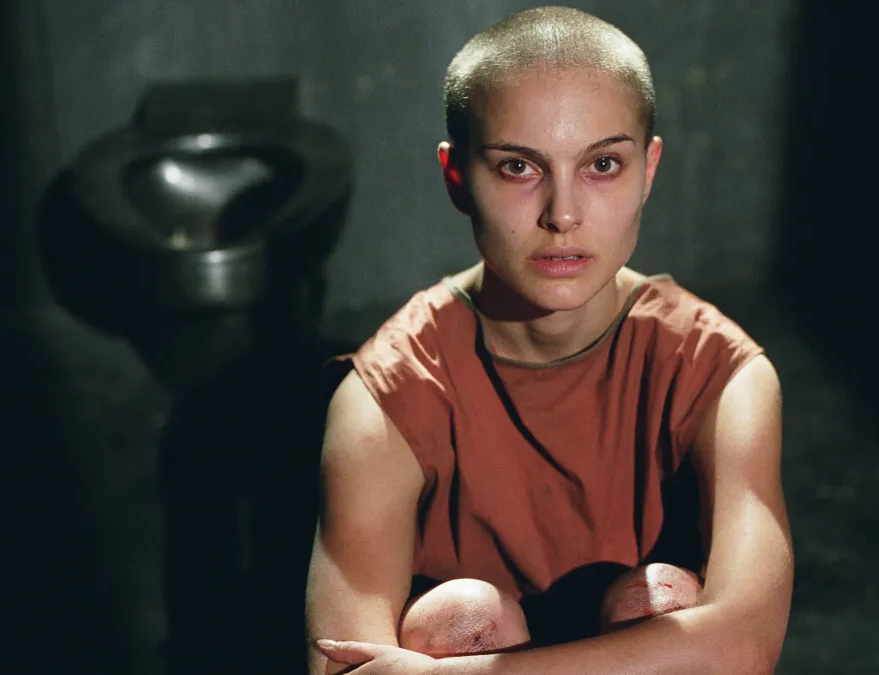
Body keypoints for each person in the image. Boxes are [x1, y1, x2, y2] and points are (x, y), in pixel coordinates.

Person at [305, 6, 792, 674]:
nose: (563, 214)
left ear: (648, 169)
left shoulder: (721, 373)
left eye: (602, 164)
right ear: (457, 178)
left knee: (659, 598)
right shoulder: (385, 396)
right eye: (518, 168)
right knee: (463, 616)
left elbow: (744, 644)